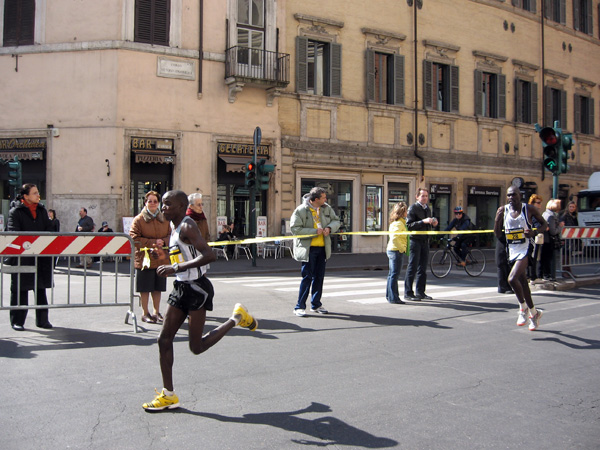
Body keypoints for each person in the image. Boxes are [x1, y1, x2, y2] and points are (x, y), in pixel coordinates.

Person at [142, 190, 257, 411]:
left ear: (179, 206)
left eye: (167, 204)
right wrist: (164, 258)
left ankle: (236, 318)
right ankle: (168, 395)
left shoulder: (187, 226)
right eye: (163, 204)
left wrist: (174, 267)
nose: (163, 208)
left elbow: (208, 255)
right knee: (163, 339)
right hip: (181, 287)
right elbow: (185, 255)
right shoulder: (174, 227)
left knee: (196, 347)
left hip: (197, 289)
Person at [494, 185, 548, 331]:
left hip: (526, 248)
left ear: (520, 195)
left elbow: (544, 224)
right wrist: (497, 220)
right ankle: (535, 313)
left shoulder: (529, 209)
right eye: (509, 195)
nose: (511, 198)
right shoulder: (503, 210)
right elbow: (498, 234)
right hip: (512, 249)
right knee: (523, 285)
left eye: (514, 195)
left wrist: (534, 232)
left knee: (512, 279)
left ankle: (522, 308)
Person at [8, 184, 54, 331]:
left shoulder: (41, 210)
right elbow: (14, 232)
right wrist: (32, 242)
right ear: (25, 196)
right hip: (22, 257)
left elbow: (49, 228)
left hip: (40, 257)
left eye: (38, 192)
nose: (37, 195)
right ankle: (18, 321)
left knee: (40, 289)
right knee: (20, 290)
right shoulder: (15, 212)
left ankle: (42, 320)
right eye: (34, 193)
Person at [290, 187, 341, 317]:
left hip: (322, 248)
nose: (326, 199)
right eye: (323, 197)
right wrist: (313, 232)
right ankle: (299, 306)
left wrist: (330, 228)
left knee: (319, 277)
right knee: (307, 277)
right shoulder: (301, 210)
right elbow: (295, 229)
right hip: (308, 249)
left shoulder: (326, 208)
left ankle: (316, 304)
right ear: (316, 199)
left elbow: (336, 220)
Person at [130, 191, 171, 324]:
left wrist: (164, 241)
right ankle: (145, 313)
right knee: (145, 287)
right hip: (144, 259)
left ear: (158, 203)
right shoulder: (138, 219)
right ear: (145, 203)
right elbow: (134, 238)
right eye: (150, 201)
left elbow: (172, 236)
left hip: (160, 258)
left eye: (155, 201)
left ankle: (156, 311)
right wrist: (153, 242)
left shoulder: (165, 219)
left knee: (158, 287)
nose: (152, 203)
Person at [404, 188, 438, 301]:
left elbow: (428, 224)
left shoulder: (427, 208)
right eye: (422, 196)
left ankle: (420, 292)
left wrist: (433, 223)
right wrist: (423, 221)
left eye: (426, 196)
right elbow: (409, 225)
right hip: (415, 240)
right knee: (412, 266)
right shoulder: (413, 208)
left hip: (425, 240)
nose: (425, 198)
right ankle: (408, 292)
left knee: (423, 268)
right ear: (417, 197)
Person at [386, 202, 408, 304]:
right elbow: (395, 237)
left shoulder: (396, 222)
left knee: (392, 274)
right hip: (395, 251)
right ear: (402, 212)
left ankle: (390, 295)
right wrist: (401, 248)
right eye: (406, 211)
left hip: (393, 250)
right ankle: (394, 297)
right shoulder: (399, 223)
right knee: (394, 275)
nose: (407, 213)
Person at [541, 199, 561, 281]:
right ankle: (547, 275)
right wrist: (560, 227)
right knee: (547, 258)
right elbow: (553, 231)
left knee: (545, 258)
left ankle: (545, 274)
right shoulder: (551, 216)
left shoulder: (545, 213)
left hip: (545, 240)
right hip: (548, 240)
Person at [527, 194, 544, 282]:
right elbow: (535, 224)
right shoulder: (533, 212)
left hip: (533, 236)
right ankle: (532, 276)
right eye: (538, 203)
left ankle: (530, 275)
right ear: (533, 203)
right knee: (532, 256)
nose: (540, 205)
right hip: (532, 237)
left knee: (532, 257)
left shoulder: (533, 212)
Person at [560, 201, 579, 273]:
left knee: (568, 254)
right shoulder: (565, 216)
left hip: (571, 238)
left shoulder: (574, 216)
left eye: (573, 207)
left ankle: (568, 270)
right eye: (570, 207)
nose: (571, 208)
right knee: (565, 254)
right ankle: (565, 271)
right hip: (566, 238)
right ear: (567, 207)